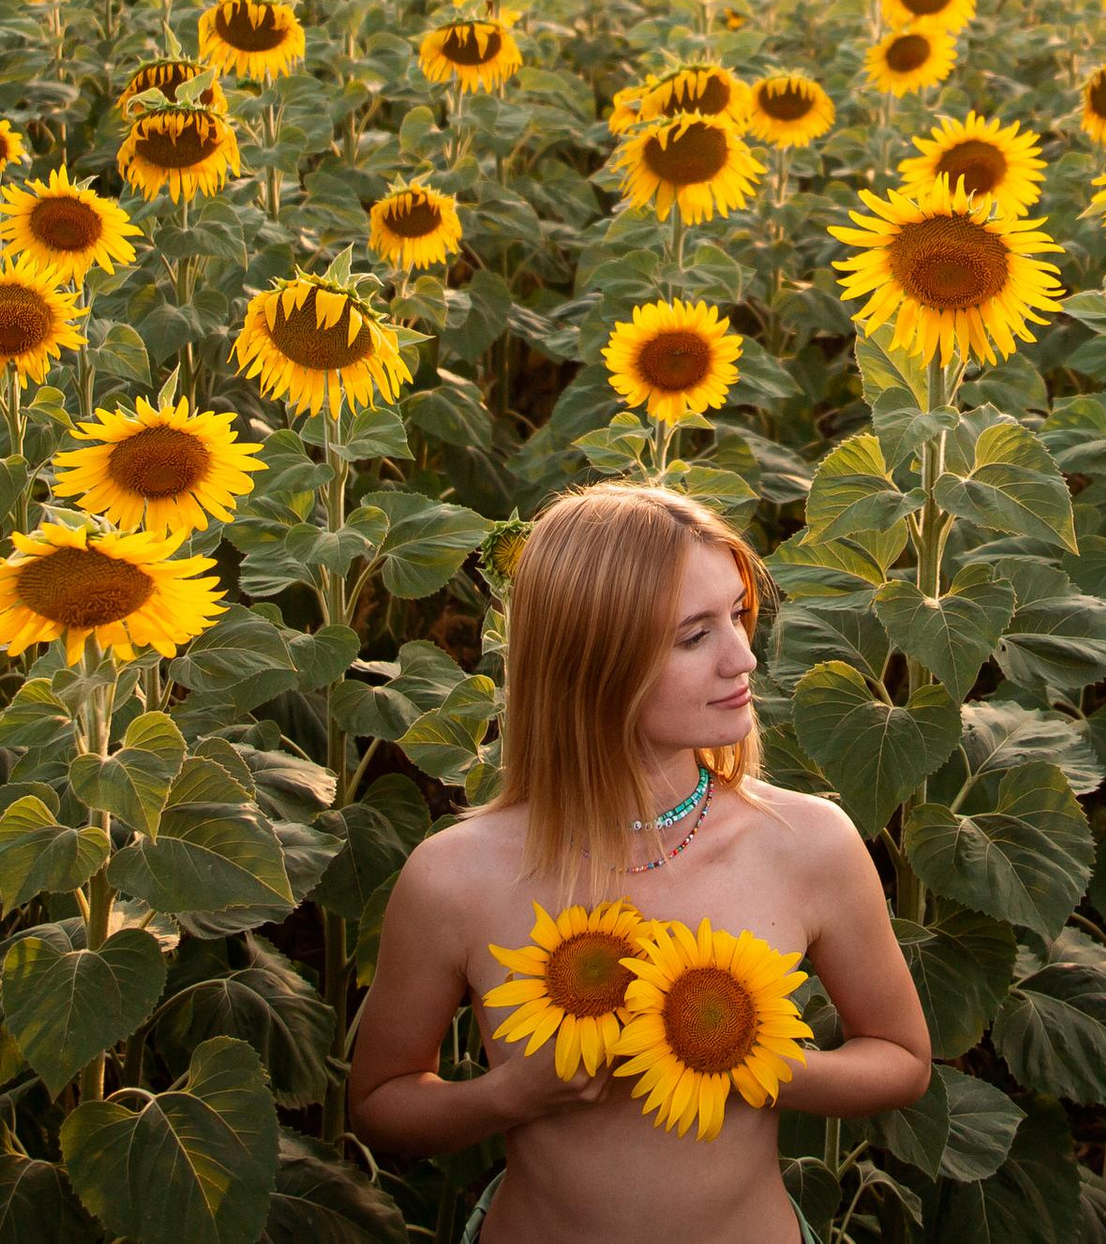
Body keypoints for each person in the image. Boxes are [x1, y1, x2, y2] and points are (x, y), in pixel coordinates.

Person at [347, 479, 934, 1242]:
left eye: (738, 615)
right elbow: (381, 1101)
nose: (742, 657)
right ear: (590, 661)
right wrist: (512, 1095)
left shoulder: (806, 842)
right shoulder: (457, 874)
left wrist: (758, 1062)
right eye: (694, 636)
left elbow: (902, 1058)